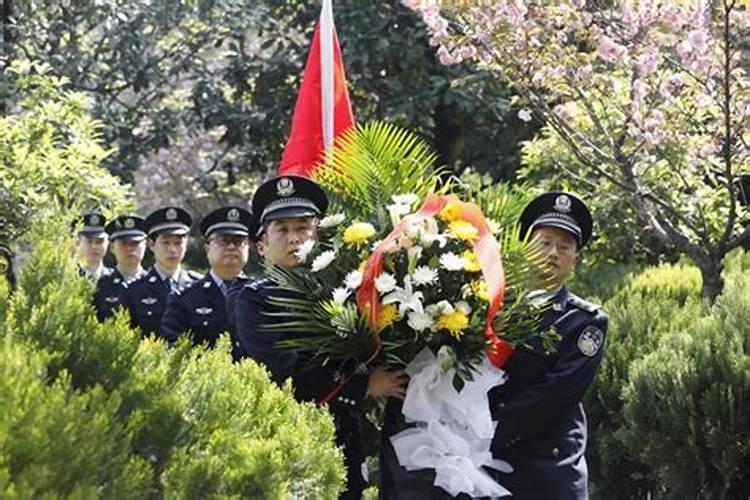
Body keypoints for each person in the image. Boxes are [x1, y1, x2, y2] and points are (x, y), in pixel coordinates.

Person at [233, 175, 406, 500]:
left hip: (347, 440)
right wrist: (363, 386)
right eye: (281, 230)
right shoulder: (253, 300)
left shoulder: (344, 290)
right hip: (288, 441)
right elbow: (284, 373)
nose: (294, 238)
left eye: (302, 228)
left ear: (319, 234)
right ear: (261, 246)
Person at [486, 191, 608, 499]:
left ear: (575, 260)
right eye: (545, 242)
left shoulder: (585, 322)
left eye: (565, 246)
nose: (554, 252)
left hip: (546, 472)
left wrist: (486, 431)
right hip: (481, 465)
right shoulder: (491, 306)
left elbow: (556, 394)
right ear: (526, 248)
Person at [160, 206, 255, 359]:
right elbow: (173, 351)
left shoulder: (261, 295)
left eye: (238, 241)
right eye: (223, 241)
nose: (231, 247)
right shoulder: (183, 299)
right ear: (207, 248)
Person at [119, 206, 202, 336]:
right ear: (151, 244)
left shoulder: (199, 286)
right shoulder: (134, 291)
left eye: (178, 243)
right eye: (166, 243)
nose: (173, 249)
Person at [93, 215, 148, 322]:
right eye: (123, 243)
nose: (129, 249)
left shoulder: (155, 285)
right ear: (112, 247)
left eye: (135, 243)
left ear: (145, 245)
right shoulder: (101, 286)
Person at [75, 212, 113, 280]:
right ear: (78, 243)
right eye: (89, 241)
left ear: (108, 243)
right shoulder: (67, 278)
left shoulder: (114, 279)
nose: (94, 246)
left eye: (99, 241)